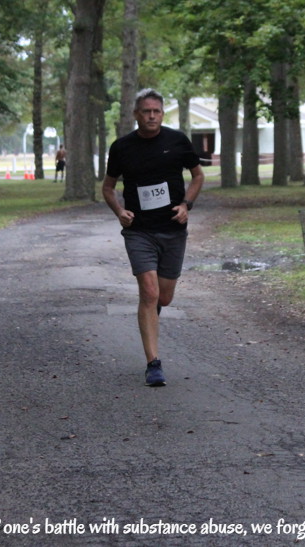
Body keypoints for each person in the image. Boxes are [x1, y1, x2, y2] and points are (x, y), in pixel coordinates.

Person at [102, 88, 204, 386]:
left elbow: (198, 175)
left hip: (172, 229)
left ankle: (152, 311)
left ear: (162, 113)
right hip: (139, 230)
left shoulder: (177, 141)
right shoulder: (122, 147)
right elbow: (108, 187)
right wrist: (119, 211)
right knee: (149, 292)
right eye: (146, 111)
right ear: (136, 114)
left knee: (164, 297)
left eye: (156, 111)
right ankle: (153, 364)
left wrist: (186, 205)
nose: (151, 116)